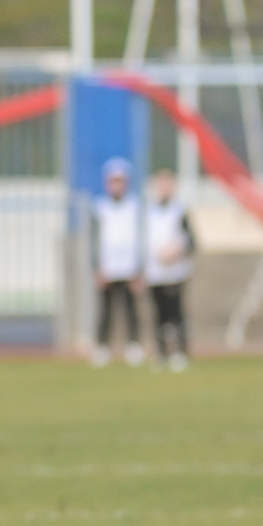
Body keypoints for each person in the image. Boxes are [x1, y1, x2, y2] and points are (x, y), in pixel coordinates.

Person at [91, 157, 145, 367]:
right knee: (106, 310)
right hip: (108, 267)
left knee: (131, 310)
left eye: (120, 181)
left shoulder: (135, 206)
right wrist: (96, 267)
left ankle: (133, 345)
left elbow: (141, 238)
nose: (116, 186)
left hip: (129, 268)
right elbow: (94, 240)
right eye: (113, 181)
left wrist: (139, 268)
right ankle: (102, 346)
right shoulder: (100, 207)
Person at [144, 168, 195, 371]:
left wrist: (176, 251)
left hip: (175, 272)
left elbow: (192, 241)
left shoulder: (180, 210)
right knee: (159, 315)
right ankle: (162, 352)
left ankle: (180, 351)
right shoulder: (148, 211)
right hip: (155, 273)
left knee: (176, 314)